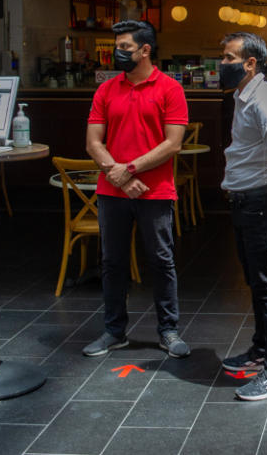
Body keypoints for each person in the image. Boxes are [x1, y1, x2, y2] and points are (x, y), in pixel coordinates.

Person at [83, 20, 190, 359]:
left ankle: (168, 331)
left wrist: (128, 170)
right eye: (118, 46)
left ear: (146, 50)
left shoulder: (170, 88)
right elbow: (93, 142)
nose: (119, 53)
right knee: (112, 262)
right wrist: (121, 178)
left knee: (161, 260)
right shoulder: (106, 89)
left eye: (125, 47)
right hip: (112, 191)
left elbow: (173, 144)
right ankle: (114, 331)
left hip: (155, 191)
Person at [218, 31, 267, 401]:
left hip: (261, 203)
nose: (223, 64)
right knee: (256, 282)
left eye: (230, 58)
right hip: (245, 200)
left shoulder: (264, 98)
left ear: (250, 63)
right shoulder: (243, 95)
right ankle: (261, 351)